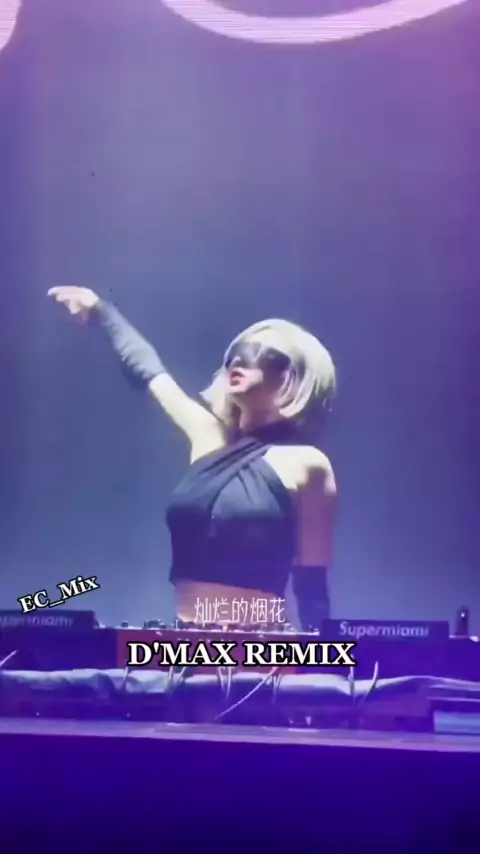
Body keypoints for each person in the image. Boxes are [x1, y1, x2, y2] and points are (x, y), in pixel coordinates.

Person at [48, 286, 337, 631]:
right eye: (236, 354)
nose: (239, 361)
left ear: (292, 375)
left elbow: (311, 584)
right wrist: (100, 310)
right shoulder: (206, 436)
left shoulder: (308, 464)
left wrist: (328, 658)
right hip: (183, 642)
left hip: (259, 648)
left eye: (261, 355)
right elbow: (148, 371)